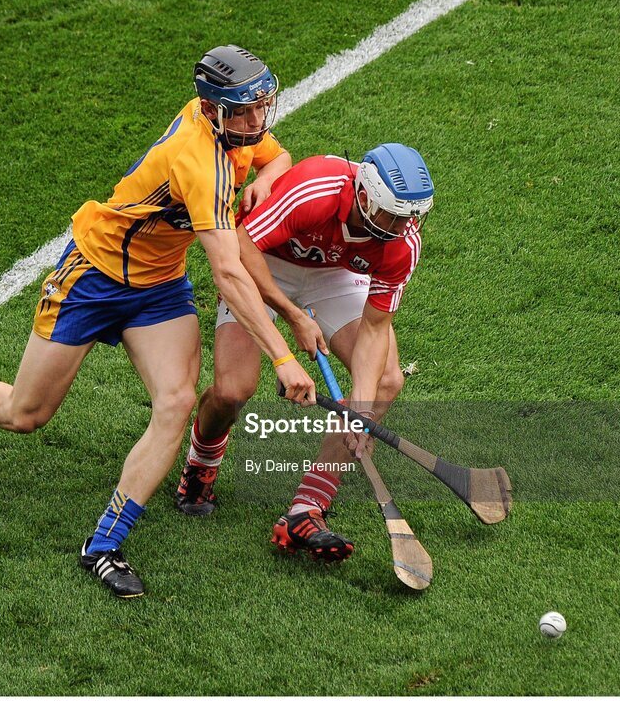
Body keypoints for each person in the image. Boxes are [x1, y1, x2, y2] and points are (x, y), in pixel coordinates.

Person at [0, 45, 318, 598]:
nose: (256, 121)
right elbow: (230, 275)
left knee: (176, 400)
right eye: (244, 111)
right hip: (91, 279)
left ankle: (105, 544)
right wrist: (282, 358)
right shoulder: (199, 159)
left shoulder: (233, 126)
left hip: (158, 288)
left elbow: (275, 156)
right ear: (211, 109)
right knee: (27, 413)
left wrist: (268, 176)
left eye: (262, 106)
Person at [174, 143, 434, 562]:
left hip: (334, 274)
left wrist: (361, 412)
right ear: (364, 197)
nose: (402, 226)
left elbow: (374, 326)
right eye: (393, 215)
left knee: (385, 382)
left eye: (410, 217)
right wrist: (294, 316)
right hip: (263, 261)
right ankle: (201, 465)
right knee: (233, 390)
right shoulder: (316, 189)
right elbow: (241, 245)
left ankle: (305, 509)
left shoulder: (401, 242)